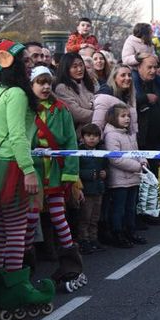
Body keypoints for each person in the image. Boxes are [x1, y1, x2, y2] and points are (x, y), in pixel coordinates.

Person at [0, 39, 55, 320]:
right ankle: (16, 290)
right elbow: (18, 135)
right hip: (13, 167)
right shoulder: (16, 92)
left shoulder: (0, 89)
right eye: (26, 61)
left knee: (1, 232)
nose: (30, 65)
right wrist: (28, 170)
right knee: (16, 232)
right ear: (15, 63)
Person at [25, 66, 86, 293]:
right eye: (40, 82)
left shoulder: (61, 109)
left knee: (60, 218)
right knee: (30, 220)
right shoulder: (25, 109)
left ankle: (71, 266)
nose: (45, 86)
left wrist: (71, 175)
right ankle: (25, 267)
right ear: (31, 85)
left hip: (56, 174)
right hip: (34, 174)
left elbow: (70, 142)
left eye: (48, 82)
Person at [103, 103, 147, 248]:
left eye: (128, 116)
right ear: (113, 118)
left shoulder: (129, 134)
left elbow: (136, 151)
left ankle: (130, 231)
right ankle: (118, 233)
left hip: (134, 177)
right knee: (119, 208)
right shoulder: (111, 135)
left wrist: (143, 161)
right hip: (119, 179)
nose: (127, 119)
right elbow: (115, 159)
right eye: (123, 116)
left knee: (131, 207)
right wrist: (137, 166)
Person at [77, 123, 107, 255]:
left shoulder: (101, 152)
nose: (92, 138)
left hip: (98, 189)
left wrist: (105, 173)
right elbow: (76, 170)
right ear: (82, 137)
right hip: (86, 190)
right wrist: (89, 174)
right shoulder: (79, 152)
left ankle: (93, 239)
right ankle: (84, 240)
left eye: (95, 136)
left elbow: (105, 166)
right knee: (85, 217)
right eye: (88, 135)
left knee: (95, 217)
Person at [53, 52, 96, 133]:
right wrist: (99, 114)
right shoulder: (62, 88)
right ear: (66, 69)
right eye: (74, 66)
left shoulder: (86, 84)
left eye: (81, 65)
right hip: (79, 134)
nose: (79, 69)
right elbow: (76, 113)